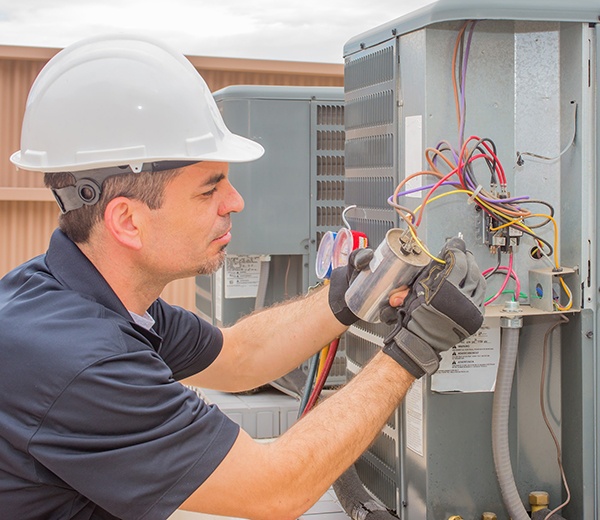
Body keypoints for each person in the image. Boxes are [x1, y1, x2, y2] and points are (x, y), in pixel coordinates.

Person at [0, 34, 486, 520]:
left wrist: (351, 294)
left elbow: (237, 356)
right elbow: (274, 488)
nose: (235, 201)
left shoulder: (90, 298)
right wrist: (414, 347)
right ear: (127, 220)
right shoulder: (79, 361)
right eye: (210, 189)